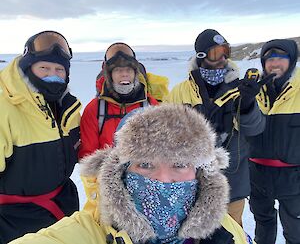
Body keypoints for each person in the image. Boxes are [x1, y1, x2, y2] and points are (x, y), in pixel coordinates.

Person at [9, 104, 253, 244]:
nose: (163, 179)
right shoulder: (84, 233)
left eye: (179, 163)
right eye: (145, 164)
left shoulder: (226, 230)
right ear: (120, 173)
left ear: (201, 173)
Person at [165, 29, 265, 227]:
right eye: (215, 53)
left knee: (233, 232)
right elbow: (166, 136)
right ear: (201, 56)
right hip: (191, 183)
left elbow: (255, 129)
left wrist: (247, 105)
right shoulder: (180, 92)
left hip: (233, 182)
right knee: (192, 233)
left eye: (225, 51)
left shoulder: (242, 88)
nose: (222, 59)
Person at [0, 30, 81, 243]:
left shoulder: (68, 108)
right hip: (14, 222)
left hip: (63, 210)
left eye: (59, 69)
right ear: (28, 68)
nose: (51, 75)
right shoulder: (5, 107)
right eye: (44, 68)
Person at [246, 39, 300, 244]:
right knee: (264, 226)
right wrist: (246, 102)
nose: (275, 63)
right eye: (270, 58)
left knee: (295, 231)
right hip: (257, 175)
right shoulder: (252, 89)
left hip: (294, 177)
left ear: (292, 60)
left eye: (281, 58)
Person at [79, 42, 159, 158]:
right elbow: (88, 156)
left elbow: (160, 150)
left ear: (135, 73)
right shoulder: (94, 109)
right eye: (117, 70)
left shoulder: (151, 106)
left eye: (129, 70)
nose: (124, 74)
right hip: (105, 174)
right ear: (109, 74)